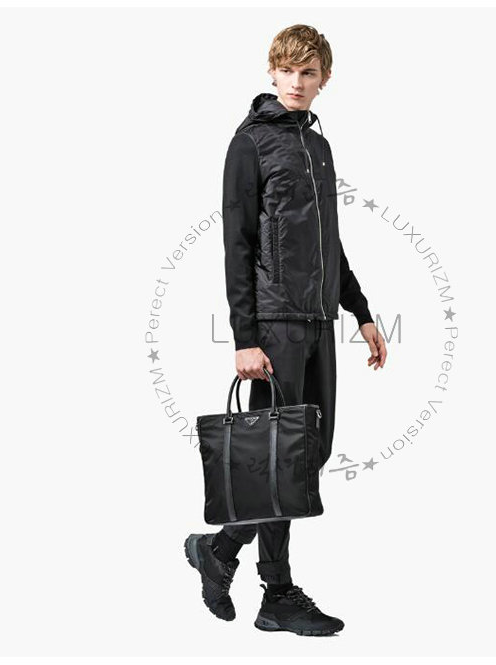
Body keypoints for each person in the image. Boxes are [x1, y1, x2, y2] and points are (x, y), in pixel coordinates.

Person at [184, 24, 387, 637]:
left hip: (319, 319)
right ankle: (274, 590)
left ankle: (220, 551)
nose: (297, 82)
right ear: (272, 73)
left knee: (306, 456)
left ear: (325, 79)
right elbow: (237, 245)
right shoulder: (250, 143)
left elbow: (329, 242)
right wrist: (244, 337)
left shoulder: (317, 146)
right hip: (274, 324)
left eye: (309, 72)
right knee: (280, 458)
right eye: (288, 71)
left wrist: (361, 311)